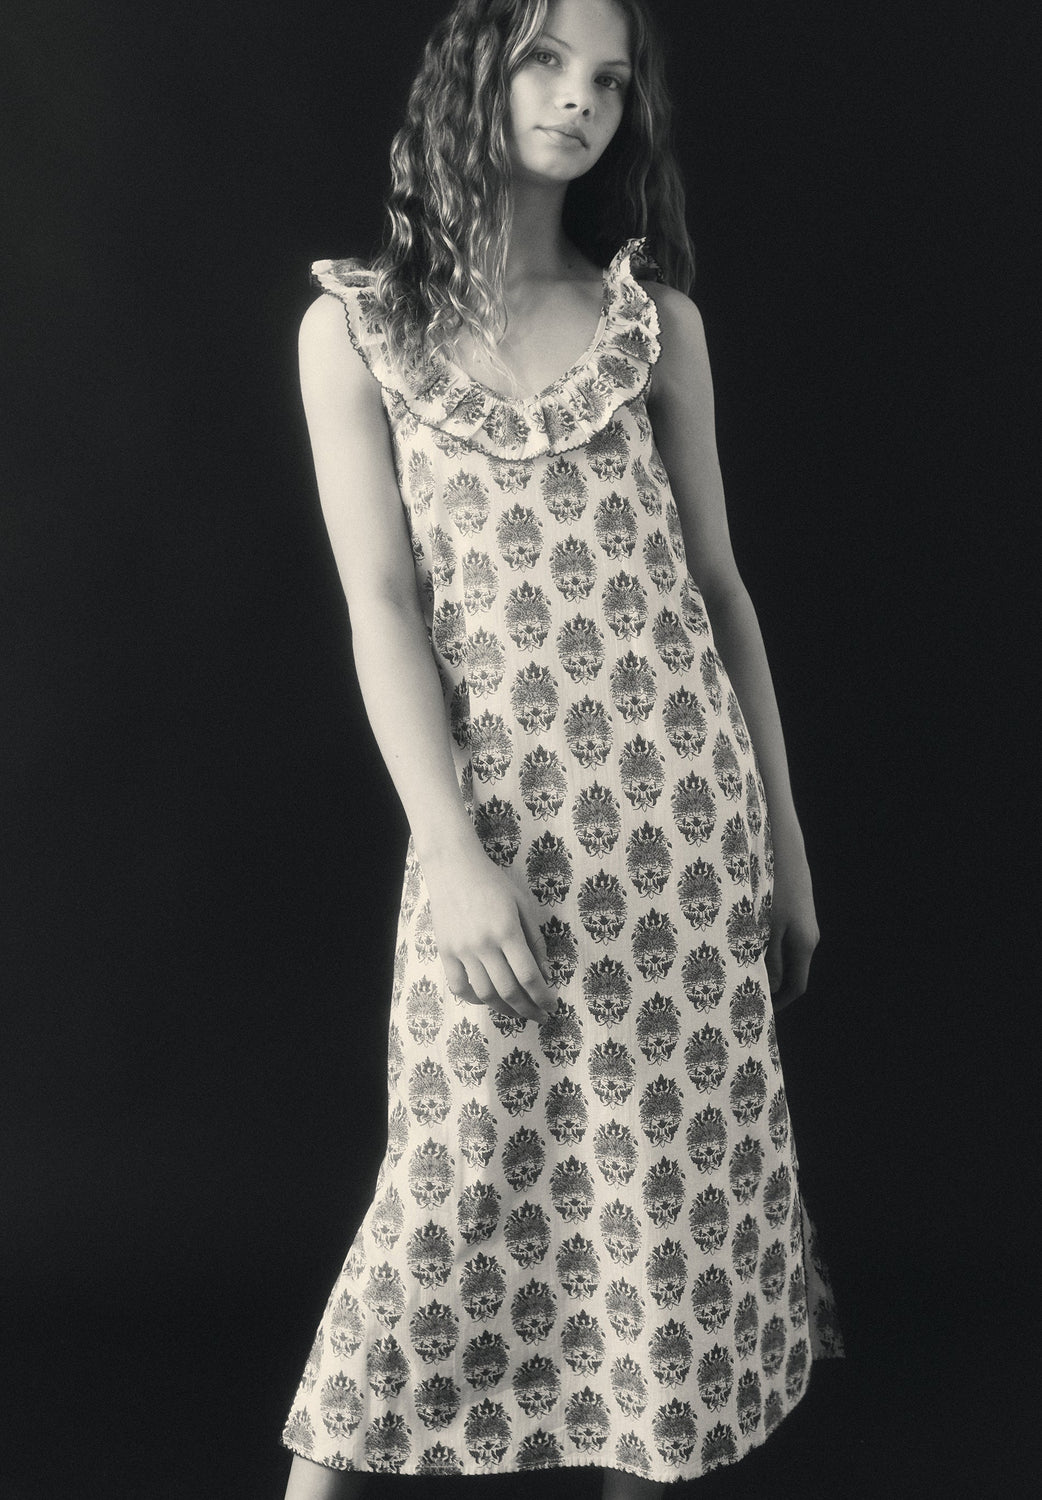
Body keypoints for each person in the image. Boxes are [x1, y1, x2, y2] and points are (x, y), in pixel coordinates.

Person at [280, 1, 843, 1495]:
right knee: (444, 1201)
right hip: (505, 847)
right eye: (544, 58)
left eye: (608, 79)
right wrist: (451, 853)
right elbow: (381, 605)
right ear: (474, 67)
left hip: (684, 849)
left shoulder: (657, 327)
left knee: (665, 1233)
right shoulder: (357, 330)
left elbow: (718, 592)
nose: (579, 100)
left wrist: (784, 851)